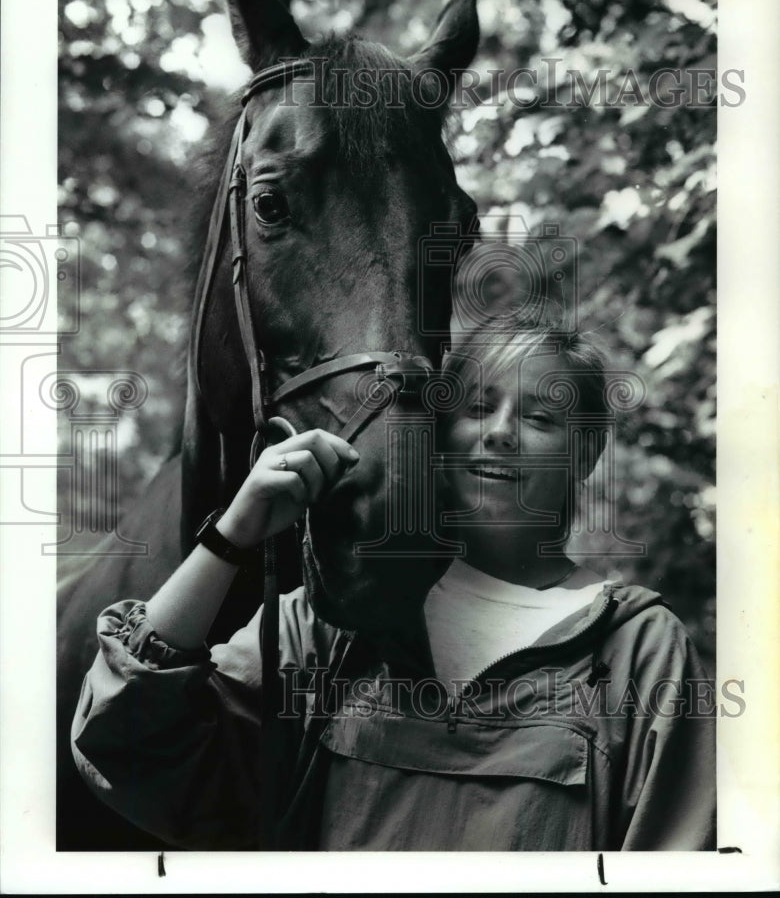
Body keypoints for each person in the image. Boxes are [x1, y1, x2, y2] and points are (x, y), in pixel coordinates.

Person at [71, 319, 716, 851]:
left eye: (541, 419)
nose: (500, 431)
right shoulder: (334, 623)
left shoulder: (641, 652)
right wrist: (231, 537)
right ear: (437, 436)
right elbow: (130, 743)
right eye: (478, 407)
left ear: (585, 455)